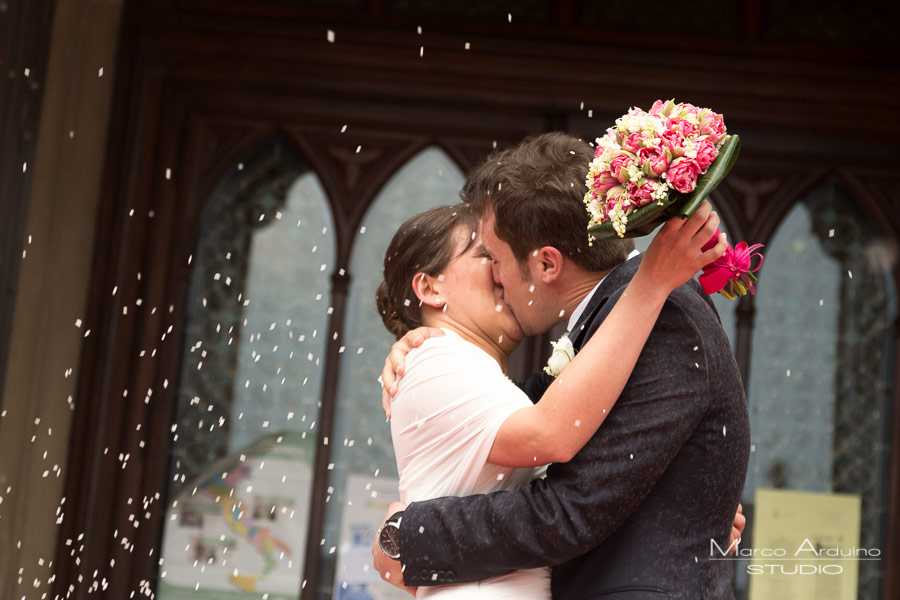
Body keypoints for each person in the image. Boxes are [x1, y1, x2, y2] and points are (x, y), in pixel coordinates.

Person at [374, 132, 750, 599]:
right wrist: (428, 338)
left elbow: (569, 512)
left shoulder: (660, 316)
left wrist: (406, 536)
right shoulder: (616, 315)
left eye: (495, 257)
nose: (495, 274)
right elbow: (538, 413)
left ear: (548, 264)